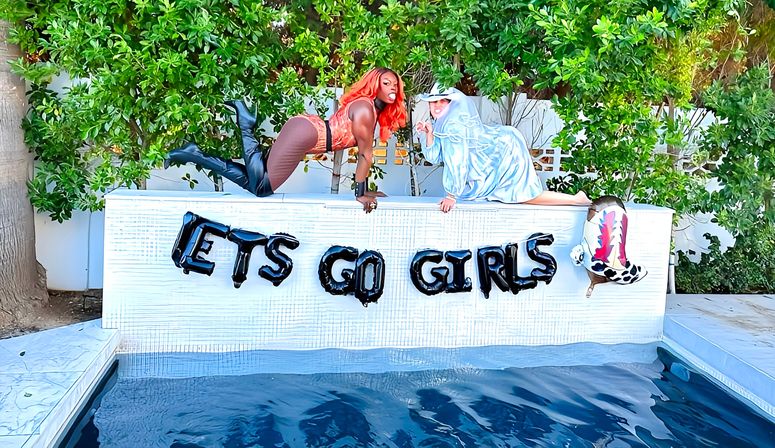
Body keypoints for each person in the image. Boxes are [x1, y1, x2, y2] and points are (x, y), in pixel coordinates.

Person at [164, 67, 407, 213]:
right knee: (261, 188)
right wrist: (361, 194)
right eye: (386, 83)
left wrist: (366, 191)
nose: (391, 87)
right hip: (306, 135)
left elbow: (364, 153)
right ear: (375, 86)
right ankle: (245, 123)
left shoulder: (371, 109)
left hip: (305, 131)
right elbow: (365, 154)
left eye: (395, 84)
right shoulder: (365, 109)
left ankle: (192, 153)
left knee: (255, 182)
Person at [415, 84, 590, 213]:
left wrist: (452, 195)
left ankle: (577, 199)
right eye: (433, 102)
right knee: (522, 196)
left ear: (451, 104)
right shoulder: (442, 124)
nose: (437, 106)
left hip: (505, 150)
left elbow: (457, 162)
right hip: (494, 159)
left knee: (524, 195)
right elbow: (435, 157)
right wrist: (429, 134)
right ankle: (576, 199)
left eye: (442, 101)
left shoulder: (455, 127)